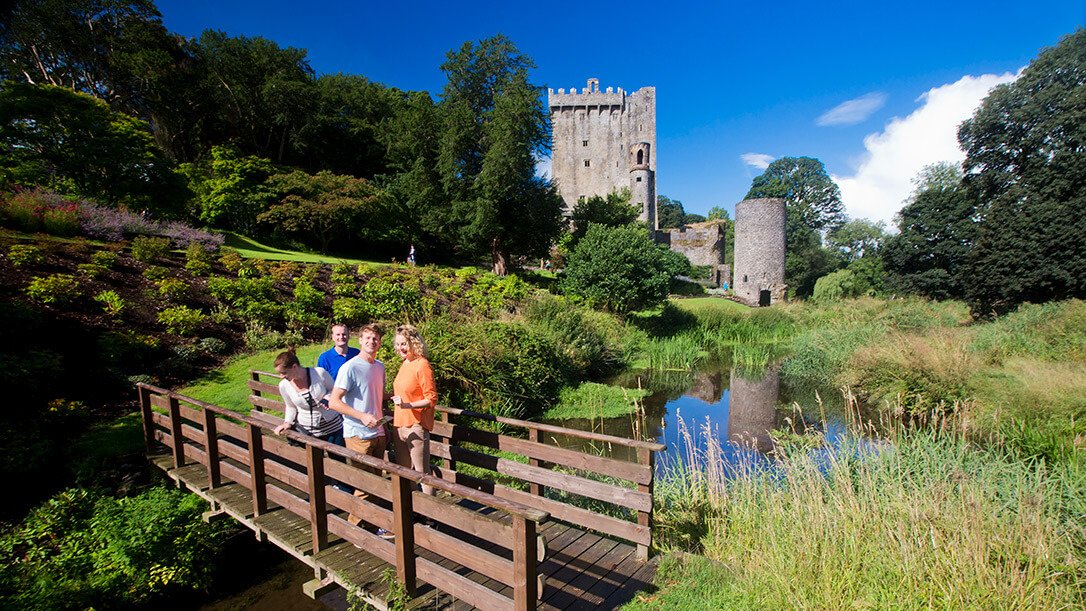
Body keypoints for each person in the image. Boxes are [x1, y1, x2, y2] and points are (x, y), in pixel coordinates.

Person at [328, 323, 391, 535]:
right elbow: (334, 402)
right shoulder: (350, 367)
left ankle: (374, 526)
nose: (371, 342)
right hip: (357, 434)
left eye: (375, 339)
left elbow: (376, 396)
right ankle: (353, 529)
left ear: (380, 343)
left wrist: (400, 398)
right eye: (367, 338)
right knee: (365, 486)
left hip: (379, 432)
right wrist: (362, 416)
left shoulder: (379, 366)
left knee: (377, 483)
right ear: (360, 340)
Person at [389, 324, 437, 495]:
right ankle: (414, 511)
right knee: (405, 471)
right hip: (399, 424)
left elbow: (431, 398)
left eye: (404, 344)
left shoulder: (422, 364)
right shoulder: (405, 364)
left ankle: (430, 517)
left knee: (421, 473)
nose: (400, 348)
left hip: (415, 424)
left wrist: (408, 405)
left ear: (414, 343)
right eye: (398, 344)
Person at [272, 350, 344, 446]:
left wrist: (327, 398)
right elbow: (290, 406)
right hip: (308, 432)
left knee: (337, 460)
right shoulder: (284, 385)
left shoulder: (319, 373)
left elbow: (334, 391)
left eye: (283, 373)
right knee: (313, 460)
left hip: (333, 428)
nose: (281, 376)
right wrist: (287, 422)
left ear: (294, 367)